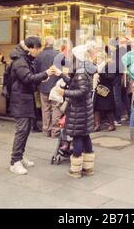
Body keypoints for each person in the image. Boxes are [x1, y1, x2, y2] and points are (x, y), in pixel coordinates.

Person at [9, 37, 56, 175]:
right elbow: (28, 78)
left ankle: (20, 157)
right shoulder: (20, 61)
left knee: (26, 130)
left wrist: (43, 77)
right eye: (38, 49)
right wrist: (46, 73)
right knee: (22, 130)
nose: (39, 51)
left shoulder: (25, 59)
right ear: (31, 48)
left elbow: (30, 80)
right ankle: (14, 162)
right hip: (20, 100)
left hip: (25, 99)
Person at [55, 44, 95, 179]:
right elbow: (75, 83)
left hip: (79, 110)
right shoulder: (82, 71)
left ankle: (76, 170)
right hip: (84, 109)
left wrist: (64, 91)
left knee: (78, 137)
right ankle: (88, 167)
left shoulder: (80, 73)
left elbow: (82, 91)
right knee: (85, 136)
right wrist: (61, 74)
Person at [35, 36, 61, 137]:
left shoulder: (39, 55)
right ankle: (55, 131)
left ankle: (46, 130)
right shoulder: (58, 54)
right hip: (56, 86)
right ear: (53, 44)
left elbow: (36, 71)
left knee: (45, 108)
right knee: (56, 108)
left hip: (43, 85)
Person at [94, 60, 117, 132]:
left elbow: (111, 77)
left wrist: (102, 73)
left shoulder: (111, 64)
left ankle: (112, 124)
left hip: (107, 90)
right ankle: (97, 124)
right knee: (97, 107)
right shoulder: (95, 65)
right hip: (99, 88)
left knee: (108, 108)